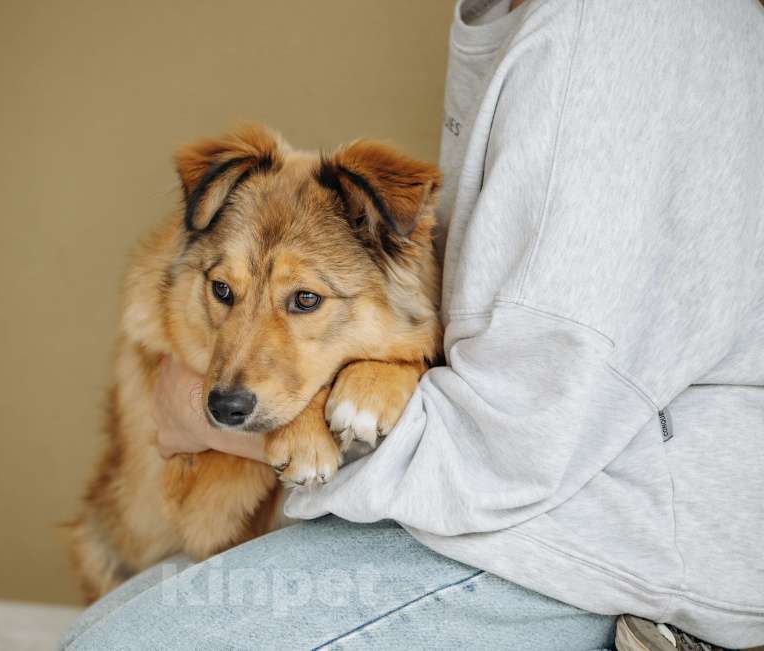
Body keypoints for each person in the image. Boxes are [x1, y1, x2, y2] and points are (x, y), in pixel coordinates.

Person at [61, 0, 764, 648]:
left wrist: (215, 419)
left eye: (302, 302)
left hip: (606, 548)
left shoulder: (607, 37)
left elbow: (512, 448)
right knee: (101, 623)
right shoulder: (511, 18)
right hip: (511, 507)